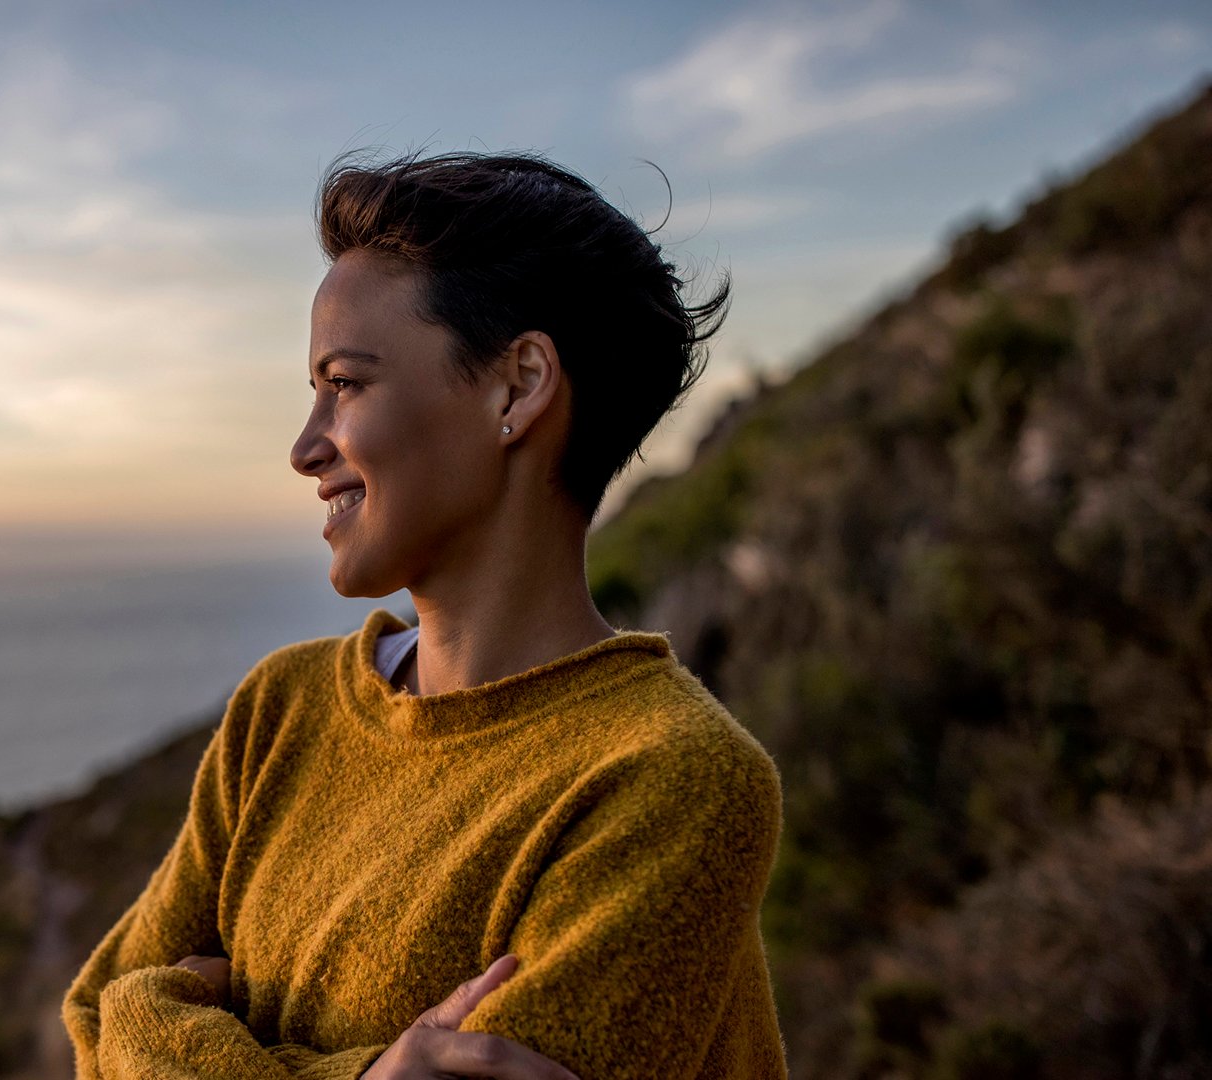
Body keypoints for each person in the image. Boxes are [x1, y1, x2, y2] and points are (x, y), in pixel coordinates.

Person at [60, 150, 787, 1080]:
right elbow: (92, 1022)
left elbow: (129, 1025)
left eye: (346, 383)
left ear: (518, 386)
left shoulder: (668, 781)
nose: (305, 446)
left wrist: (157, 1025)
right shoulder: (280, 711)